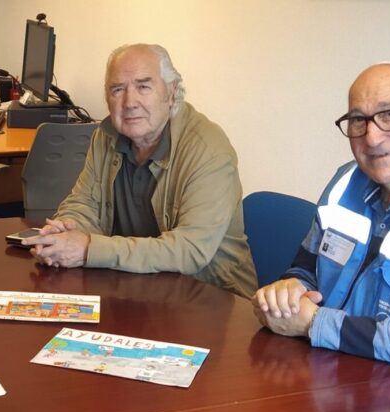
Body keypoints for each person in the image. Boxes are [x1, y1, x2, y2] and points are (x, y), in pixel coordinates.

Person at [24, 44, 256, 297]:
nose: (129, 102)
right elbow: (83, 203)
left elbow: (190, 251)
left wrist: (89, 248)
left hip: (212, 298)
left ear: (171, 91)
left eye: (144, 86)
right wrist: (68, 230)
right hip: (136, 288)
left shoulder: (208, 149)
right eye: (118, 89)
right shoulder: (106, 136)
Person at [253, 62, 390, 366]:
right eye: (358, 120)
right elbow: (306, 267)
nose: (372, 137)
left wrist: (314, 323)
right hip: (325, 372)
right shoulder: (344, 181)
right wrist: (289, 292)